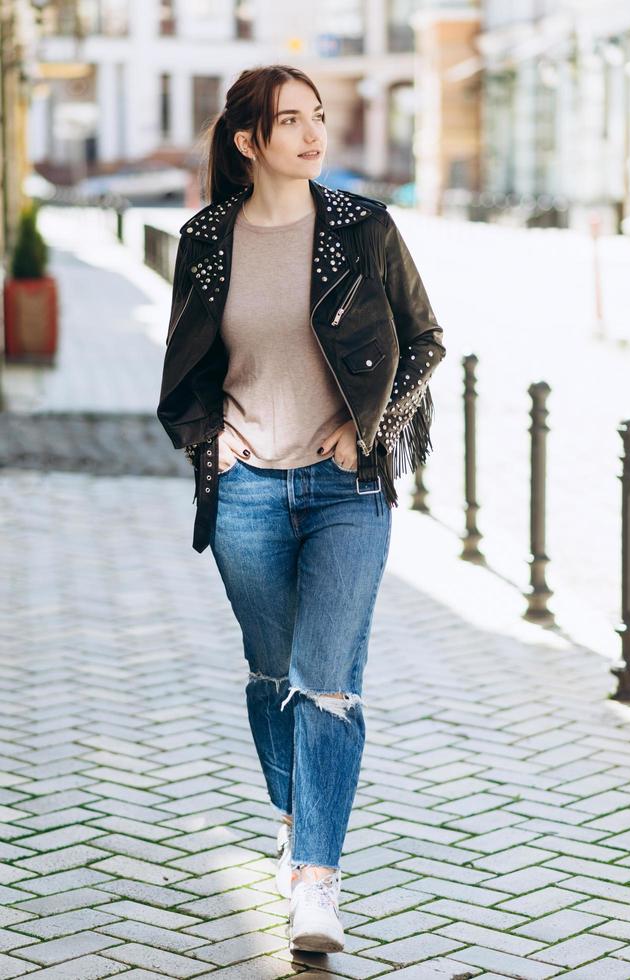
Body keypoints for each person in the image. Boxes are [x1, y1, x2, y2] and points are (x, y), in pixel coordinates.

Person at [157, 64, 446, 954]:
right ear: (249, 142)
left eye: (317, 117)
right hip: (246, 493)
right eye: (291, 121)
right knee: (271, 672)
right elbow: (183, 378)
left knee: (326, 680)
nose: (313, 133)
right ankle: (294, 818)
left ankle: (316, 885)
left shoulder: (362, 228)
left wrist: (374, 433)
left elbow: (425, 340)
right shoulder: (207, 239)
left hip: (344, 492)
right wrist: (214, 442)